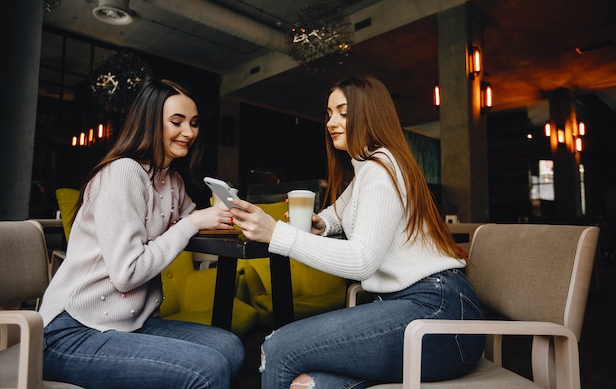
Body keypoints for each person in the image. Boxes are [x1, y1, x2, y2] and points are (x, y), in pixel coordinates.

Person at [229, 75, 485, 389]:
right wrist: (320, 224)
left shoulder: (381, 169)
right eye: (329, 114)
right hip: (421, 309)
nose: (331, 122)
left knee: (278, 347)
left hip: (440, 315)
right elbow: (337, 213)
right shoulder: (366, 168)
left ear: (369, 114)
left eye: (343, 113)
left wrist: (276, 234)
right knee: (308, 385)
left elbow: (362, 260)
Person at [39, 79, 244, 389]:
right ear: (150, 122)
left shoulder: (172, 180)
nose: (188, 132)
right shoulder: (123, 172)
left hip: (134, 324)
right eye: (177, 122)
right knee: (208, 368)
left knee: (231, 348)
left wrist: (223, 212)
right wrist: (191, 224)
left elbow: (191, 218)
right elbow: (127, 273)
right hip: (72, 330)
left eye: (194, 123)